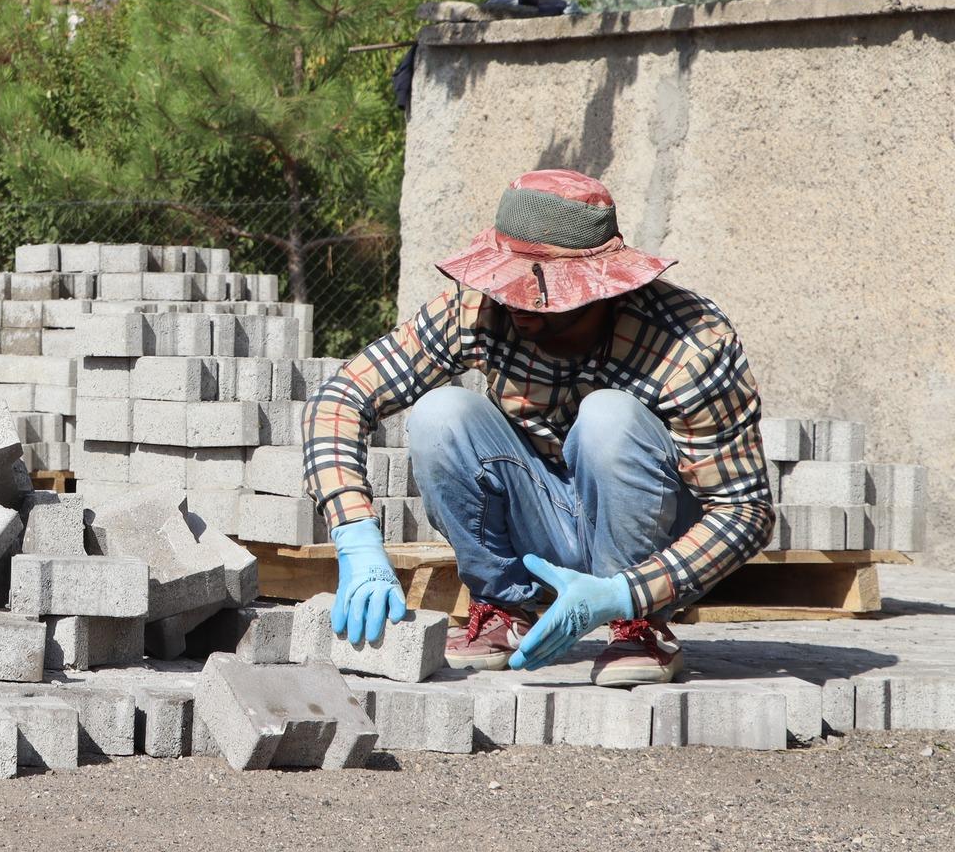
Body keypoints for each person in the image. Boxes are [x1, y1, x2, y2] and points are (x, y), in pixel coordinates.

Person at [301, 169, 775, 686]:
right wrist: (355, 537)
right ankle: (503, 609)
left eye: (543, 302)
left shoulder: (689, 342)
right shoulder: (482, 310)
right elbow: (343, 396)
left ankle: (635, 625)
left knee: (609, 417)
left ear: (602, 289)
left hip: (651, 534)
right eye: (512, 292)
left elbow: (745, 512)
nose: (521, 313)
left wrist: (627, 592)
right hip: (543, 523)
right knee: (442, 414)